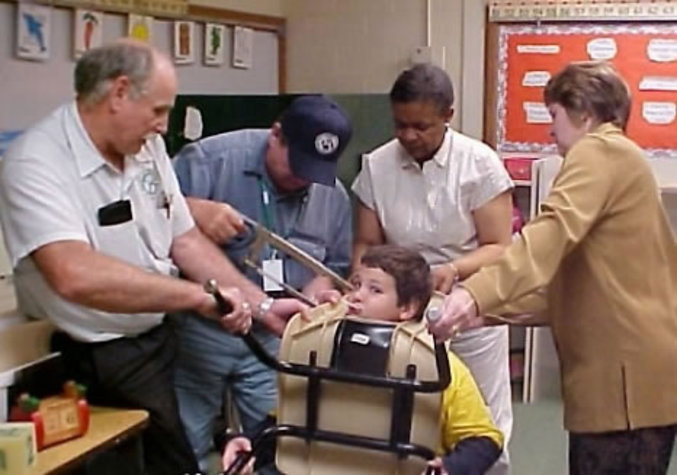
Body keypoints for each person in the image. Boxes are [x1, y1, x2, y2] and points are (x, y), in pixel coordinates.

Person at [0, 41, 306, 475]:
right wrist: (199, 297)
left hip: (154, 343)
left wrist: (261, 305)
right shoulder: (36, 162)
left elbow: (184, 240)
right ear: (119, 93)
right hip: (91, 358)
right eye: (158, 111)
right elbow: (73, 274)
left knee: (177, 461)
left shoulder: (144, 148)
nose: (163, 127)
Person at [432, 61, 677, 474]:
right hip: (633, 376)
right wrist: (484, 312)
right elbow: (572, 287)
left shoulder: (598, 151)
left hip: (623, 387)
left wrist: (472, 294)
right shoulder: (621, 159)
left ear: (582, 112)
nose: (551, 131)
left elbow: (547, 235)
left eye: (554, 115)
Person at [171, 95, 353, 471]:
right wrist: (193, 208)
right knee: (182, 444)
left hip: (275, 338)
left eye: (315, 170)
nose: (304, 179)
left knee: (280, 446)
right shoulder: (209, 161)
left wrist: (313, 296)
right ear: (276, 135)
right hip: (200, 332)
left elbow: (333, 263)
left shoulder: (332, 196)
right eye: (298, 165)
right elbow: (146, 208)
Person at [351, 63, 514, 474]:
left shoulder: (480, 164)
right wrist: (360, 286)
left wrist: (454, 270)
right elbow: (368, 243)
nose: (408, 136)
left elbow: (500, 247)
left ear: (448, 116)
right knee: (402, 414)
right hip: (400, 313)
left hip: (466, 306)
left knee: (482, 425)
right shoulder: (376, 165)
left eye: (421, 126)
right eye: (400, 124)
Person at [222, 245, 504, 475]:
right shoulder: (321, 348)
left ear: (408, 308)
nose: (357, 296)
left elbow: (484, 439)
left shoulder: (439, 365)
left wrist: (451, 468)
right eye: (355, 284)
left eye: (375, 290)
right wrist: (249, 442)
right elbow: (290, 420)